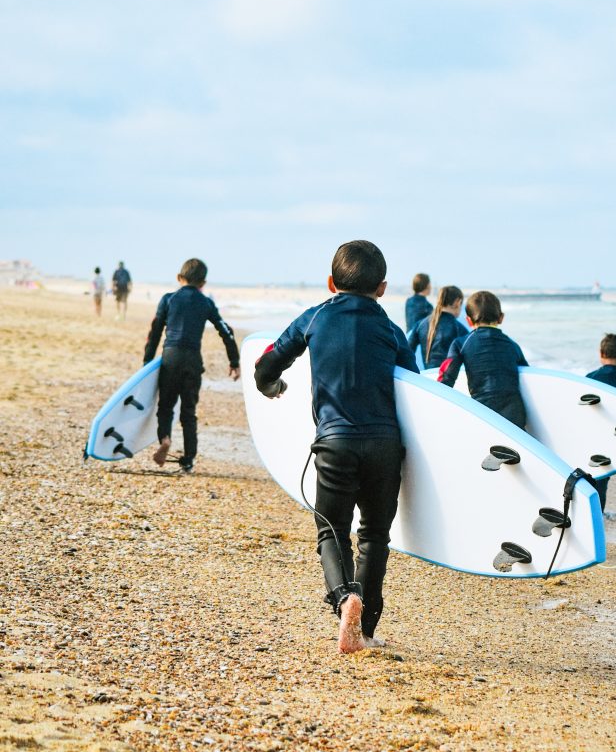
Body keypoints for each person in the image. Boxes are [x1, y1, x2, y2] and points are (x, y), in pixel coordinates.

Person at [254, 240, 418, 654]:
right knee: (376, 536)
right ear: (382, 288)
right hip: (384, 446)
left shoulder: (314, 319)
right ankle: (365, 629)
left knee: (331, 531)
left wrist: (272, 386)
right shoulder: (392, 332)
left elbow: (267, 364)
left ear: (331, 283)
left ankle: (345, 599)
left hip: (334, 444)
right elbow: (420, 396)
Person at [143, 258, 240, 473]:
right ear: (203, 283)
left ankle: (165, 439)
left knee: (166, 407)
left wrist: (147, 363)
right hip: (193, 362)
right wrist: (234, 361)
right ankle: (187, 460)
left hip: (170, 359)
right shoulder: (206, 303)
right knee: (189, 412)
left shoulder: (168, 300)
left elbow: (155, 332)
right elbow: (226, 331)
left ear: (179, 278)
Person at [438, 291, 529, 428]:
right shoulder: (512, 345)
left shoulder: (461, 344)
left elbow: (446, 379)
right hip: (515, 415)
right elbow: (528, 377)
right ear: (501, 318)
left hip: (483, 414)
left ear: (468, 320)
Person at [586, 333, 616, 511]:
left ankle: (584, 514)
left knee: (586, 476)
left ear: (601, 352)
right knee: (602, 479)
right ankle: (599, 514)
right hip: (609, 438)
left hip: (590, 434)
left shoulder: (590, 377)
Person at [408, 285, 469, 369]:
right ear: (458, 302)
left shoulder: (420, 325)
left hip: (427, 378)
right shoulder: (459, 329)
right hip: (448, 380)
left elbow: (407, 353)